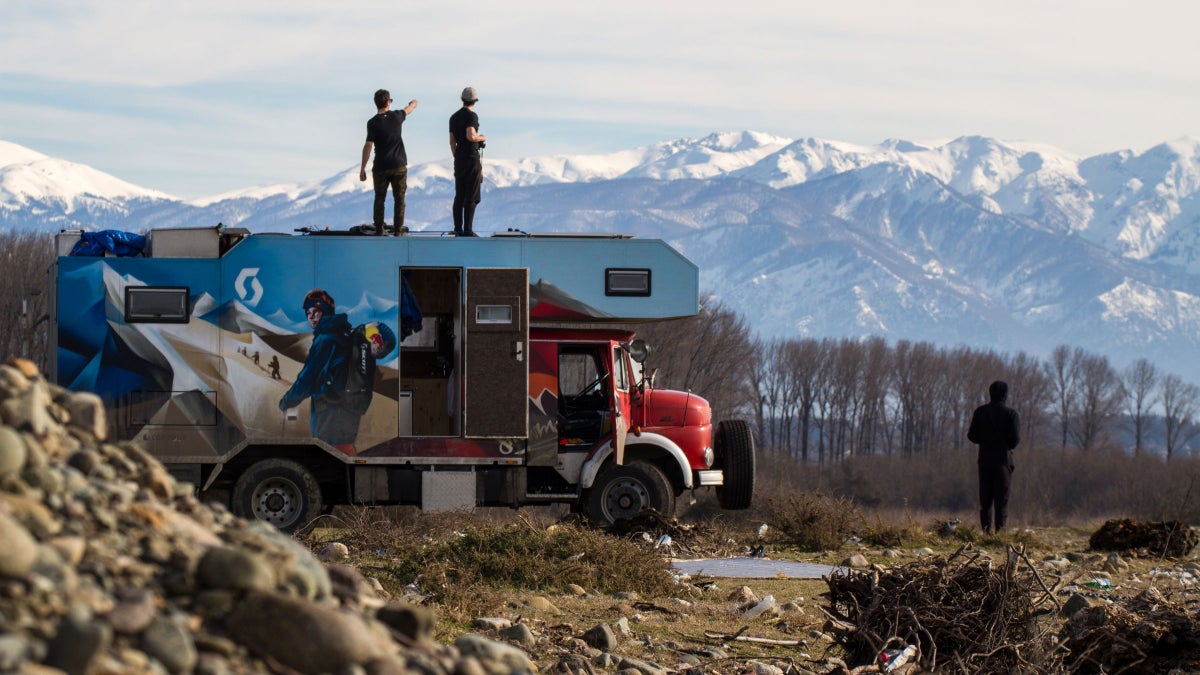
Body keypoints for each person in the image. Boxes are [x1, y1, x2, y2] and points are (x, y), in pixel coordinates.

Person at [279, 289, 358, 453]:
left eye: (316, 311)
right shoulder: (344, 334)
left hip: (329, 412)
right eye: (308, 312)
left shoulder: (325, 338)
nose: (311, 316)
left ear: (326, 312)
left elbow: (308, 377)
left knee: (328, 454)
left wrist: (287, 401)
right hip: (348, 413)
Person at [360, 89, 418, 235]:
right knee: (399, 198)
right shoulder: (397, 116)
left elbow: (368, 146)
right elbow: (408, 109)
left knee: (379, 198)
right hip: (399, 165)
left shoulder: (372, 123)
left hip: (380, 166)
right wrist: (413, 103)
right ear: (387, 102)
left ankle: (379, 229)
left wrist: (362, 168)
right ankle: (398, 230)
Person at [967, 380, 1020, 534]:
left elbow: (972, 436)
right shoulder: (1011, 414)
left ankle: (986, 532)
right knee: (1001, 500)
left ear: (990, 393)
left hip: (984, 460)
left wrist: (985, 441)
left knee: (985, 501)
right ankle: (1000, 533)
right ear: (1006, 395)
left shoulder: (980, 412)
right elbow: (1015, 440)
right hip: (1003, 462)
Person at [448, 86, 486, 236]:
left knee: (459, 195)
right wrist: (481, 137)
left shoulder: (453, 117)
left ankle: (458, 228)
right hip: (471, 158)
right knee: (471, 195)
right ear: (474, 100)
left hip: (459, 159)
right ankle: (468, 229)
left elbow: (452, 142)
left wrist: (456, 156)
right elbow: (471, 135)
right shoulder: (472, 116)